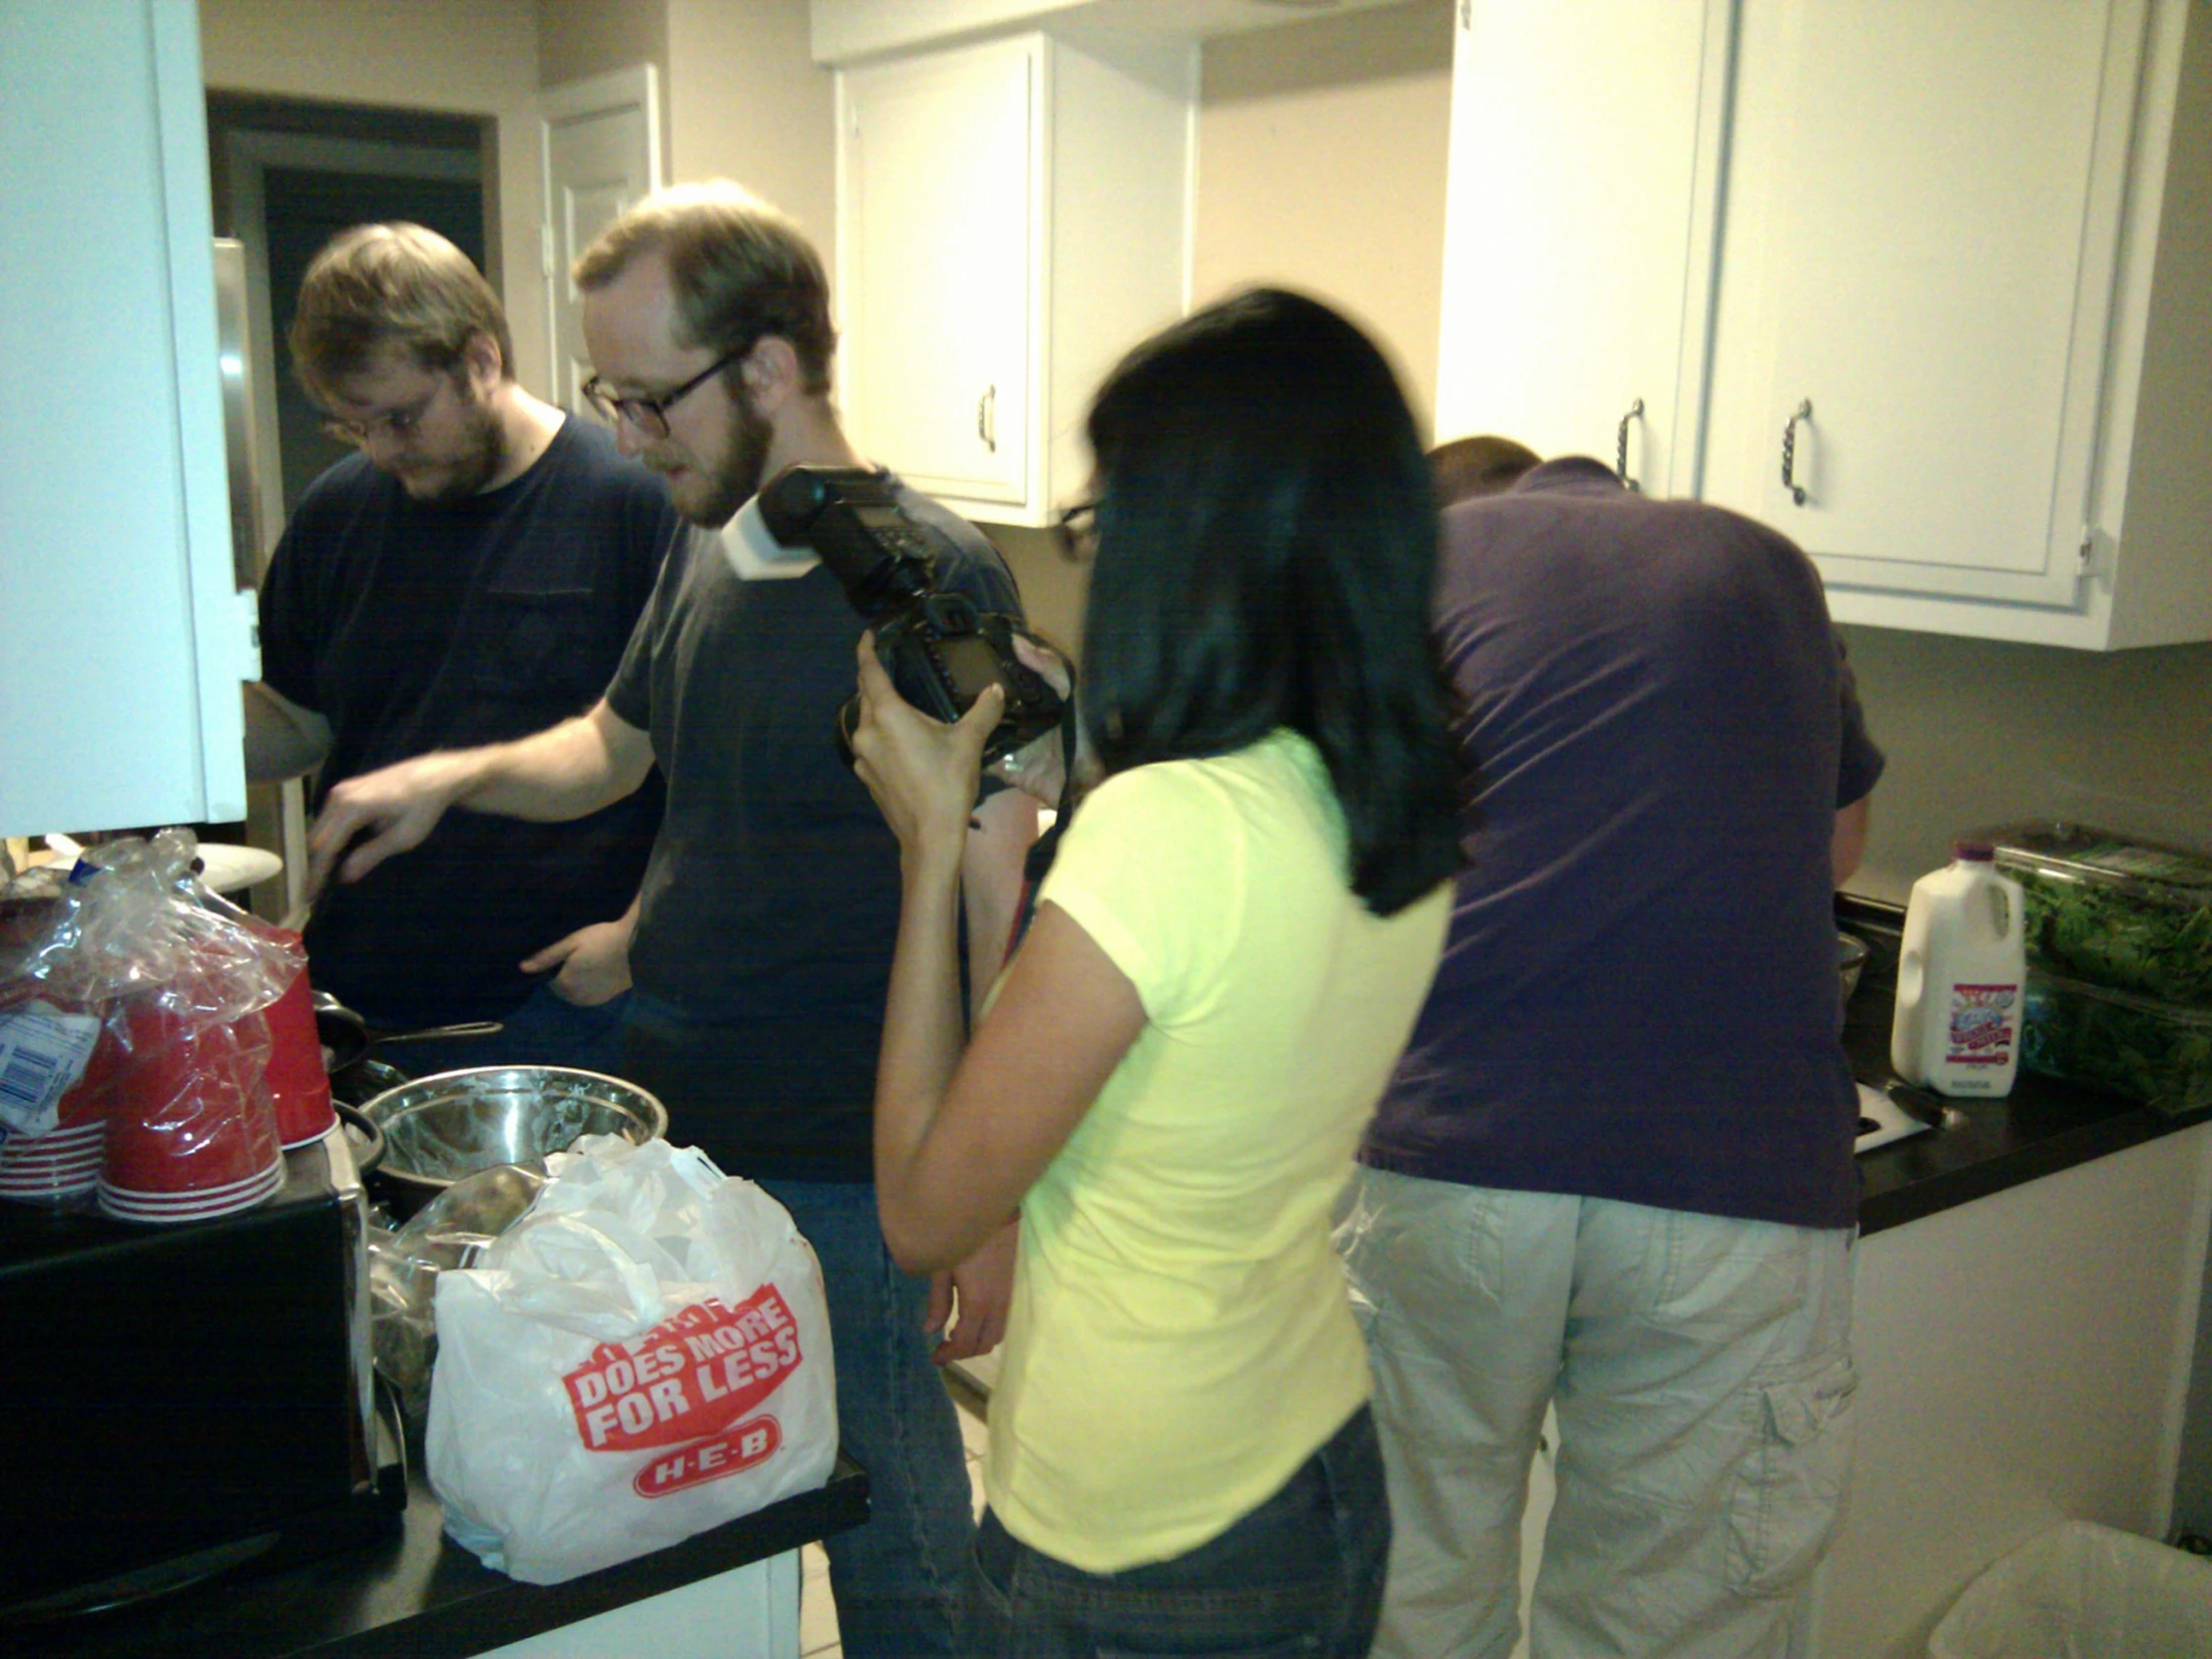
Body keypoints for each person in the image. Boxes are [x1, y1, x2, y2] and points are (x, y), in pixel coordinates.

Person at [299, 182, 1034, 1657]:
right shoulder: (720, 538)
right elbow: (616, 748)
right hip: (687, 1117)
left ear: (767, 367)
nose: (625, 438)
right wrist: (448, 780)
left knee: (895, 1523)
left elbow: (989, 879)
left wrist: (989, 1195)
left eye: (648, 399)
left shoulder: (915, 570)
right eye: (608, 398)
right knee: (735, 1496)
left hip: (844, 1142)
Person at [844, 288, 1467, 1658]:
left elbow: (922, 1211)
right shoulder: (1386, 791)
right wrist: (1007, 867)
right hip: (1310, 1461)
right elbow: (1156, 1090)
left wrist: (929, 842)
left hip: (1133, 1533)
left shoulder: (1171, 829)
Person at [1335, 439, 1887, 1658]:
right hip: (1729, 1179)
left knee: (1413, 1585)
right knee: (1664, 1616)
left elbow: (1346, 861)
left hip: (1453, 1149)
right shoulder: (1766, 563)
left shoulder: (1410, 564)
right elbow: (1834, 853)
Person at [247, 223, 678, 1074]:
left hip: (553, 1000)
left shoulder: (629, 502)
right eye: (353, 427)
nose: (381, 451)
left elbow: (704, 763)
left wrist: (637, 934)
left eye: (402, 417)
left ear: (480, 360)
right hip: (363, 994)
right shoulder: (337, 511)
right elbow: (301, 725)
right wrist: (146, 718)